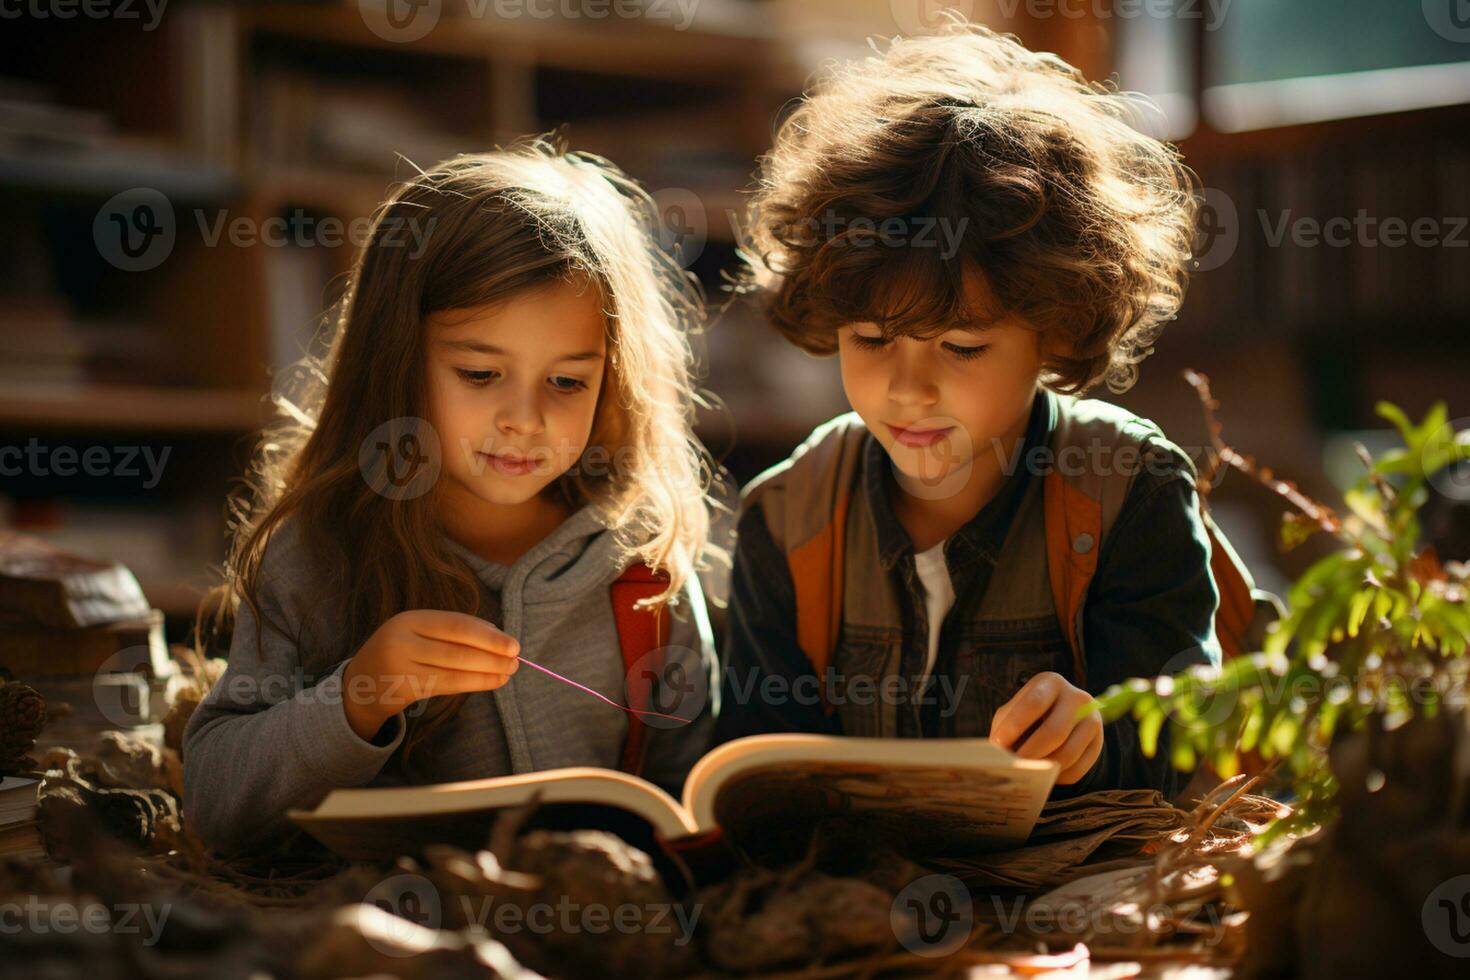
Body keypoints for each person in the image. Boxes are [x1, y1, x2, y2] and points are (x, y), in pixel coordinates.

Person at [717, 19, 1221, 797]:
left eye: (960, 348)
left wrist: (1098, 736)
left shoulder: (1128, 489)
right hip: (857, 900)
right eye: (873, 338)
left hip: (1077, 891)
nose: (908, 390)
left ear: (1052, 326)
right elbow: (756, 772)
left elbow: (1185, 739)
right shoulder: (785, 518)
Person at [184, 139, 724, 854]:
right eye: (478, 373)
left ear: (614, 379)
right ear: (397, 357)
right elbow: (215, 800)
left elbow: (692, 788)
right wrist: (360, 696)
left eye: (568, 382)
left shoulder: (643, 561)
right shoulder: (318, 556)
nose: (525, 419)